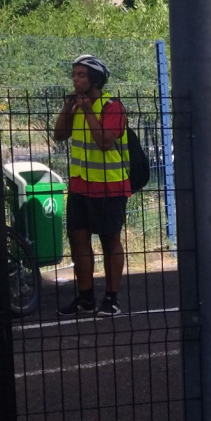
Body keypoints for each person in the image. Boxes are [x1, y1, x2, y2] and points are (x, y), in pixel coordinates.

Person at [52, 54, 130, 317]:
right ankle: (85, 298)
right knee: (78, 241)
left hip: (109, 186)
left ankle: (111, 298)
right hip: (79, 186)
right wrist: (68, 108)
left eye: (81, 75)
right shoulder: (76, 106)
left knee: (110, 241)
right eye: (74, 75)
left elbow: (105, 142)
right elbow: (59, 135)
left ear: (95, 80)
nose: (75, 80)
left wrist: (87, 111)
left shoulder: (112, 107)